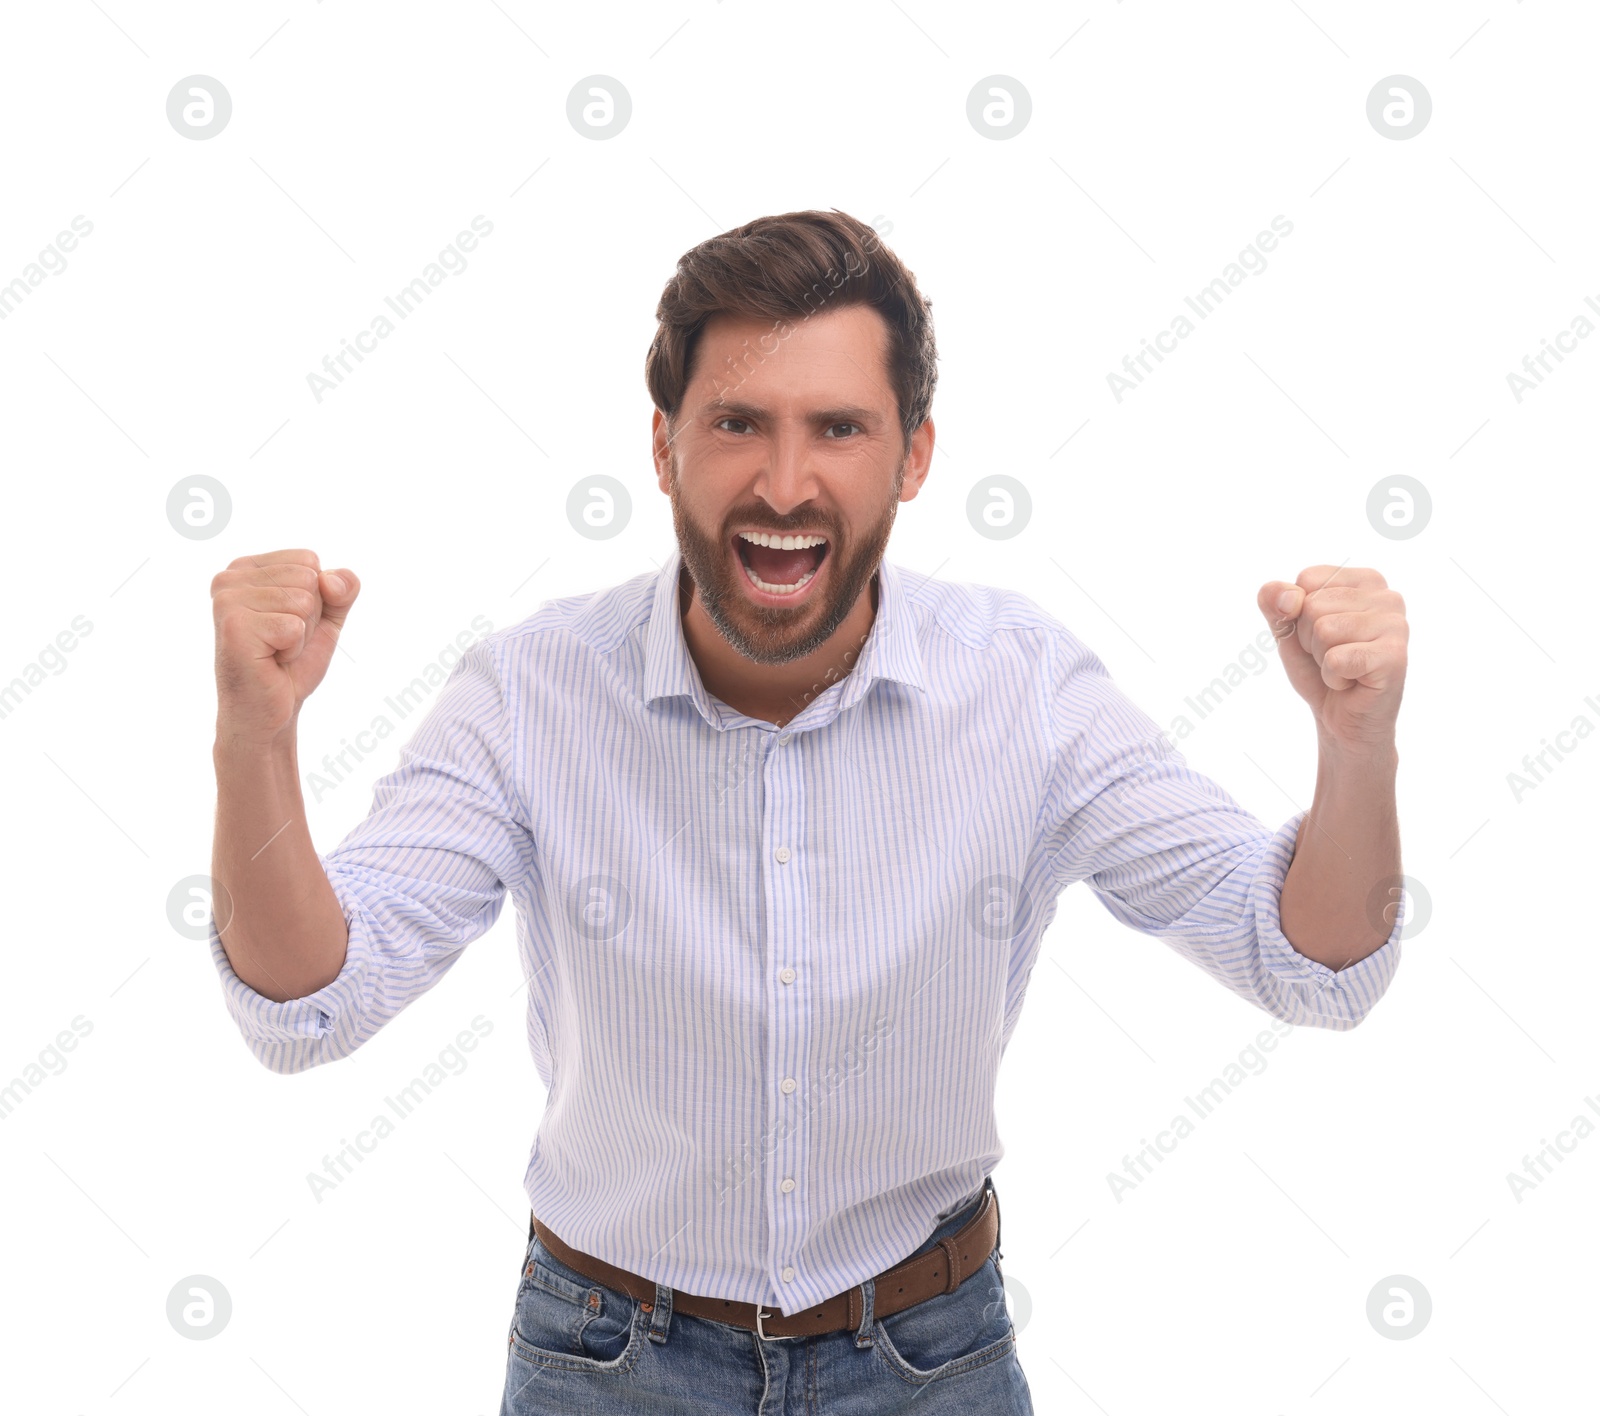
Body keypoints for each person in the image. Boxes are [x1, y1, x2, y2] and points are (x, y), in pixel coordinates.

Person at [206, 209, 1409, 1414]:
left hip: (926, 1355)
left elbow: (1305, 964)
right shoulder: (529, 693)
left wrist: (1355, 749)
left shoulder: (1025, 688)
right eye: (738, 425)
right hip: (605, 1361)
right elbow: (311, 1006)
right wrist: (255, 738)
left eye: (838, 428)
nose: (785, 485)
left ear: (914, 456)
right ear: (666, 446)